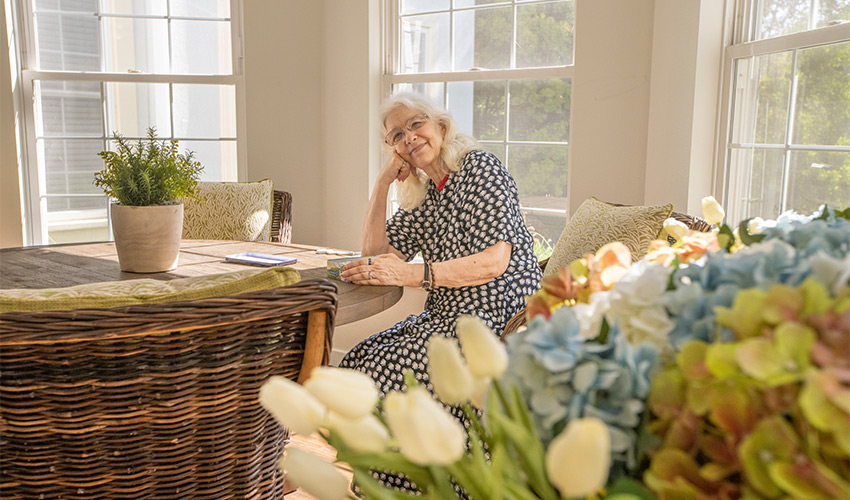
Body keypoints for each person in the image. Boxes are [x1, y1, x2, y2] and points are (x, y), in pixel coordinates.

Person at [339, 91, 541, 391]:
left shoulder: (480, 168)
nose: (409, 137)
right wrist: (382, 183)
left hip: (495, 318)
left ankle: (417, 437)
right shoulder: (426, 194)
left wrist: (413, 274)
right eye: (397, 135)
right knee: (354, 364)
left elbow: (495, 261)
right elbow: (374, 255)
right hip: (445, 318)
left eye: (416, 124)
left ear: (441, 128)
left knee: (369, 379)